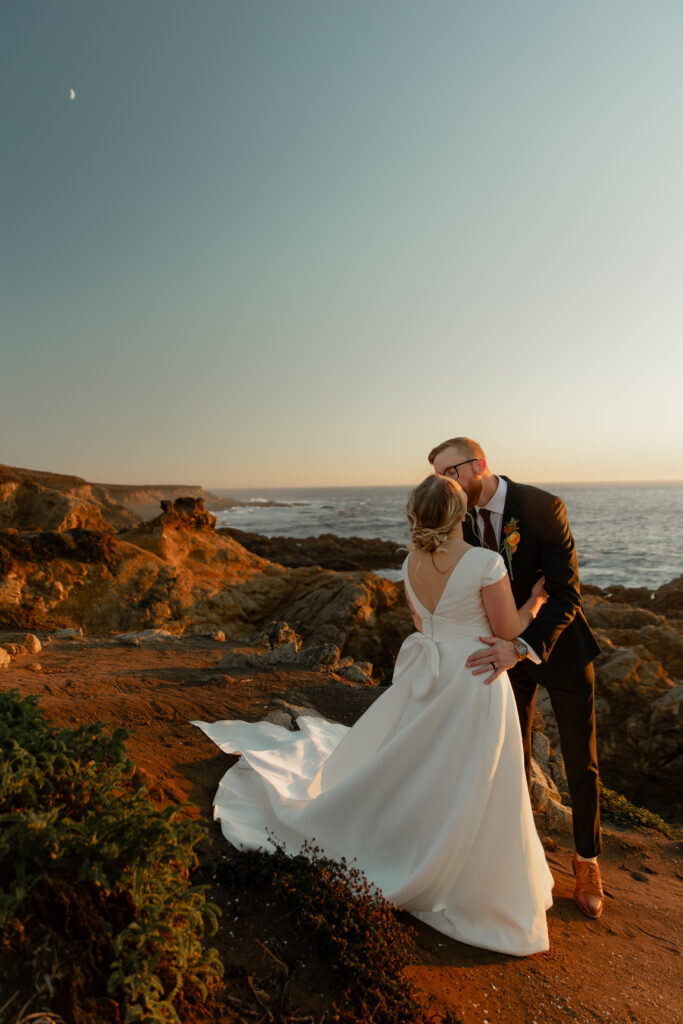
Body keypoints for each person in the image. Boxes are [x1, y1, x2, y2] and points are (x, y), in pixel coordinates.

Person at [194, 474, 554, 956]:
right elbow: (508, 631)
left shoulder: (410, 563)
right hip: (473, 681)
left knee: (418, 767)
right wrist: (536, 601)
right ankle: (461, 871)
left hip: (427, 677)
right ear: (460, 514)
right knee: (469, 778)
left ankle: (413, 846)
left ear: (417, 516)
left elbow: (424, 624)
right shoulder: (486, 563)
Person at [428, 437, 604, 919]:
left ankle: (586, 862)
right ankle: (519, 855)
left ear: (479, 465)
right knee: (511, 754)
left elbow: (567, 596)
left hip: (559, 650)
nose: (448, 483)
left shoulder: (542, 506)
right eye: (441, 477)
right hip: (499, 655)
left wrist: (522, 645)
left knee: (579, 761)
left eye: (453, 472)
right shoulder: (456, 515)